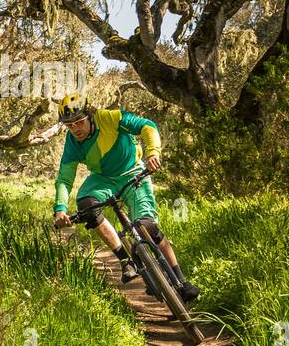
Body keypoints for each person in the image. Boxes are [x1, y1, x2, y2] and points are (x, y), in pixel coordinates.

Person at [51, 92, 199, 299]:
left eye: (78, 121)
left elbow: (147, 126)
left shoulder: (110, 118)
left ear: (90, 114)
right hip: (103, 179)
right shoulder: (72, 142)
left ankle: (181, 281)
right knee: (86, 206)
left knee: (148, 227)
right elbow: (65, 179)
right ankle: (125, 260)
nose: (74, 128)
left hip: (133, 171)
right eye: (69, 125)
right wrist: (60, 208)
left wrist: (153, 153)